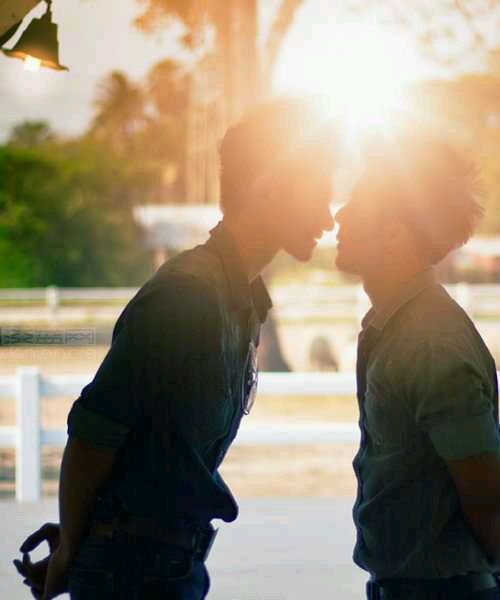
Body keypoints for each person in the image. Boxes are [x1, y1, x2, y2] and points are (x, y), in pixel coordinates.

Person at [14, 97, 338, 600]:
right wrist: (74, 550)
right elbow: (94, 432)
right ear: (268, 189)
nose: (328, 218)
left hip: (167, 566)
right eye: (317, 195)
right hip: (133, 575)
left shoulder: (241, 300)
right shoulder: (187, 295)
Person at [334, 130, 500, 600]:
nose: (341, 215)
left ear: (395, 234)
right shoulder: (397, 327)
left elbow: (487, 496)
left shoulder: (430, 343)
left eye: (357, 206)